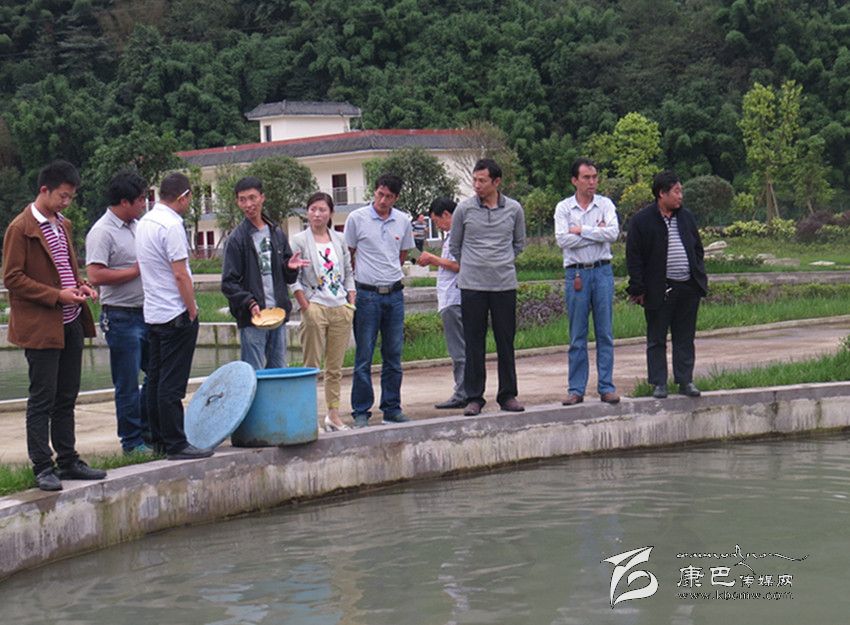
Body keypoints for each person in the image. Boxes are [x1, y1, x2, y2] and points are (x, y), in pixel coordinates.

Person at [3, 160, 106, 491]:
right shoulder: (21, 228)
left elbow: (64, 268)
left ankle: (68, 460)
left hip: (70, 321)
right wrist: (56, 295)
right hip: (41, 326)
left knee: (66, 396)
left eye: (71, 197)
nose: (66, 202)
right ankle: (42, 466)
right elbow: (12, 278)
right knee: (42, 399)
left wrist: (80, 285)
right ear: (44, 190)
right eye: (62, 196)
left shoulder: (63, 225)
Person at [136, 172, 212, 460]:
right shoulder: (171, 225)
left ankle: (158, 439)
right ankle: (177, 443)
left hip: (154, 313)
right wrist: (192, 309)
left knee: (155, 380)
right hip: (175, 313)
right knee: (171, 383)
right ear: (183, 197)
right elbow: (180, 274)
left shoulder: (145, 222)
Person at [450, 159, 526, 416]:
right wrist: (474, 265)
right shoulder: (464, 209)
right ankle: (474, 397)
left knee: (505, 341)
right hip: (472, 285)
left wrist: (499, 262)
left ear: (496, 182)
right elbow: (455, 245)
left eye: (482, 180)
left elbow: (519, 243)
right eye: (475, 180)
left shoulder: (514, 209)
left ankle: (508, 395)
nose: (477, 185)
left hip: (504, 284)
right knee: (474, 343)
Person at [85, 170, 153, 455]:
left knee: (157, 373)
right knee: (127, 382)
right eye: (140, 200)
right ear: (124, 202)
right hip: (121, 316)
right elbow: (95, 275)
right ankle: (131, 441)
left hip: (147, 312)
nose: (144, 204)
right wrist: (134, 271)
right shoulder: (102, 231)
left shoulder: (138, 226)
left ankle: (150, 431)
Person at [626, 170, 707, 399]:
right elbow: (634, 257)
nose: (680, 196)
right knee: (657, 338)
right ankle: (659, 383)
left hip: (687, 287)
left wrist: (698, 273)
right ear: (662, 193)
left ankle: (685, 380)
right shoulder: (642, 221)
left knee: (685, 337)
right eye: (676, 191)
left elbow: (697, 248)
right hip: (659, 288)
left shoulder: (686, 217)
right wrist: (638, 287)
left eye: (681, 191)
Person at [343, 173, 415, 427]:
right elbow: (348, 254)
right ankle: (361, 410)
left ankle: (392, 408)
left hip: (394, 295)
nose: (383, 200)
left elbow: (402, 254)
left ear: (396, 198)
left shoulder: (403, 221)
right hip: (366, 295)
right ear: (374, 192)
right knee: (364, 354)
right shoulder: (357, 218)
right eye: (380, 194)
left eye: (389, 197)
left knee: (393, 354)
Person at [221, 176, 309, 370]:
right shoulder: (236, 239)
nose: (248, 204)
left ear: (262, 197)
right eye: (243, 199)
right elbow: (228, 283)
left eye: (252, 198)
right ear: (237, 202)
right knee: (254, 371)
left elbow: (288, 277)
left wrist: (290, 268)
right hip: (253, 317)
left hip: (277, 314)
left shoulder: (276, 233)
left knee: (278, 368)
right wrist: (249, 302)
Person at [554, 158, 620, 406]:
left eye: (594, 177)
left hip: (602, 271)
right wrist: (596, 231)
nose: (592, 182)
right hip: (577, 274)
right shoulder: (564, 208)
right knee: (577, 335)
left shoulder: (605, 204)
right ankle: (576, 389)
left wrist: (581, 230)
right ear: (575, 180)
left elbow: (612, 233)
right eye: (586, 177)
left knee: (605, 332)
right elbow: (562, 240)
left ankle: (606, 387)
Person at [290, 192, 356, 432]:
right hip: (315, 306)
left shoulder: (339, 239)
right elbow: (292, 276)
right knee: (311, 367)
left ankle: (333, 415)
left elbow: (348, 270)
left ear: (330, 213)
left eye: (322, 210)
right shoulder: (298, 240)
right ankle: (310, 418)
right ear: (307, 212)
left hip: (340, 307)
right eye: (313, 209)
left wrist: (351, 299)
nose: (317, 214)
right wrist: (304, 305)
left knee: (335, 368)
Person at [417, 197, 466, 410]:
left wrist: (433, 259)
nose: (438, 226)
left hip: (455, 298)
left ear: (446, 215)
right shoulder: (452, 236)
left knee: (458, 349)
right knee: (460, 347)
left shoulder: (460, 233)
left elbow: (459, 265)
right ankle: (466, 390)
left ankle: (463, 392)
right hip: (450, 298)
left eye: (437, 221)